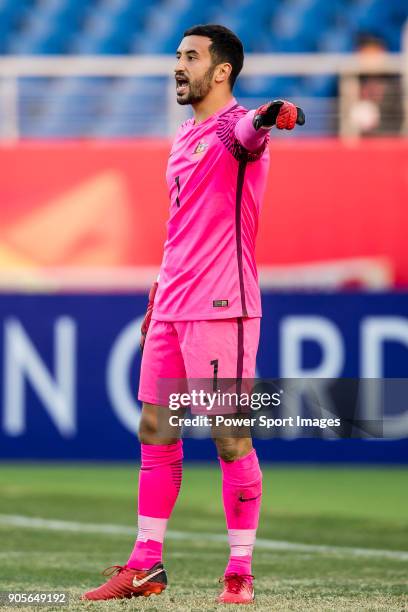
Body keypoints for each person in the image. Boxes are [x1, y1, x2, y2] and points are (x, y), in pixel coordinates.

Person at [81, 24, 304, 605]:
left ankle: (239, 571)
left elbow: (254, 131)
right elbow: (179, 228)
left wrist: (272, 113)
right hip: (173, 304)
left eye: (190, 57)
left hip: (222, 303)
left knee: (229, 437)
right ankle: (146, 565)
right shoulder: (184, 135)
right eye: (177, 55)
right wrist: (157, 298)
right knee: (155, 429)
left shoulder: (236, 129)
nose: (178, 65)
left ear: (222, 69)